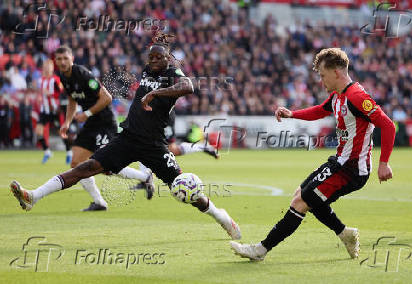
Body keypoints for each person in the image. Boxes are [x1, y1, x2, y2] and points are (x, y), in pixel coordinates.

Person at [10, 36, 241, 240]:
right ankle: (34, 196)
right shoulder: (147, 71)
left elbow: (188, 86)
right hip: (127, 138)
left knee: (183, 190)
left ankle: (221, 217)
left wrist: (155, 93)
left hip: (154, 145)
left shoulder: (172, 74)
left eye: (157, 57)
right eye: (150, 57)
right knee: (85, 166)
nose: (151, 61)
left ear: (167, 59)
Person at [230, 48, 395, 261]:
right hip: (339, 162)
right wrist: (292, 114)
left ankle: (260, 250)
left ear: (336, 72)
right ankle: (345, 233)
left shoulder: (357, 96)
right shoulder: (337, 96)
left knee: (304, 200)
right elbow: (320, 110)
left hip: (353, 169)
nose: (321, 80)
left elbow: (388, 126)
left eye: (323, 75)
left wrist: (384, 163)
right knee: (302, 194)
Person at [12, 46, 153, 212]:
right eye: (59, 59)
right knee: (77, 163)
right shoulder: (64, 78)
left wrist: (86, 113)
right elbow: (72, 100)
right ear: (55, 62)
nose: (63, 62)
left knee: (105, 165)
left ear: (72, 58)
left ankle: (145, 177)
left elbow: (106, 98)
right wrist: (67, 122)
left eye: (65, 58)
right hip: (91, 123)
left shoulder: (82, 74)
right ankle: (99, 202)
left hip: (104, 123)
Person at [35, 59, 71, 163]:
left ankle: (69, 152)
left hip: (55, 110)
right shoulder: (41, 80)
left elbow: (61, 92)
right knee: (38, 131)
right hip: (44, 110)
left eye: (48, 66)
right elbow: (41, 93)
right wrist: (40, 98)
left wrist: (50, 94)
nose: (46, 68)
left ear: (52, 68)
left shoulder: (56, 80)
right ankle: (47, 152)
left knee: (62, 132)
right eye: (45, 66)